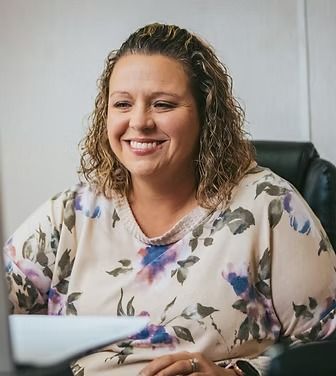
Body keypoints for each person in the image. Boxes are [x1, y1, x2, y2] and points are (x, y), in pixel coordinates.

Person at [3, 23, 336, 376]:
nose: (139, 121)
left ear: (207, 116)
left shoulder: (268, 207)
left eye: (162, 104)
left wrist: (237, 375)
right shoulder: (71, 215)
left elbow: (327, 350)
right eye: (122, 104)